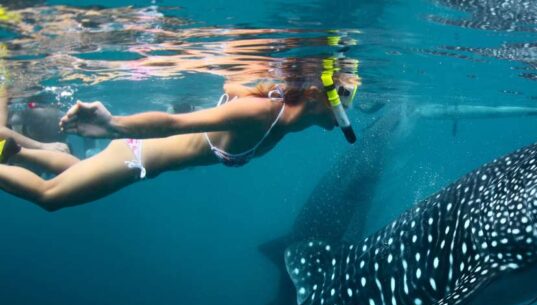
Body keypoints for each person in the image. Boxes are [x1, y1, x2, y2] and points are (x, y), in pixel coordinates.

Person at [0, 75, 359, 212]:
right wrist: (113, 124)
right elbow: (175, 123)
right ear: (317, 95)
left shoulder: (283, 117)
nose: (349, 106)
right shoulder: (263, 114)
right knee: (50, 198)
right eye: (347, 95)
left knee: (76, 171)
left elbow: (230, 84)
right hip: (135, 154)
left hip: (140, 164)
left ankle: (24, 150)